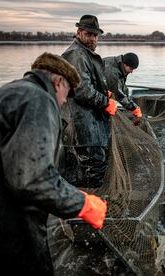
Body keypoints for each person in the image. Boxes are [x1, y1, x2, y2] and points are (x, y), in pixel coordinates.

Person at [0, 52, 108, 275]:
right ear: (58, 81)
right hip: (4, 232)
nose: (64, 102)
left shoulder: (4, 94)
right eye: (67, 94)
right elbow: (32, 179)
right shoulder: (39, 100)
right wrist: (82, 203)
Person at [60, 14, 117, 188]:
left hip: (86, 125)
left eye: (95, 35)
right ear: (79, 32)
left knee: (83, 171)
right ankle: (93, 210)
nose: (92, 38)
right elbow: (82, 90)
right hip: (83, 126)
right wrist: (106, 102)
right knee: (95, 171)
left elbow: (85, 83)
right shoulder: (77, 54)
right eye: (89, 34)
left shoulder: (83, 53)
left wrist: (102, 91)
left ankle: (82, 206)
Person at [103, 52, 143, 125]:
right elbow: (118, 94)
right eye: (131, 69)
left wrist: (134, 106)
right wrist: (133, 108)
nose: (131, 72)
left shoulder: (120, 66)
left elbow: (123, 88)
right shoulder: (112, 72)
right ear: (125, 64)